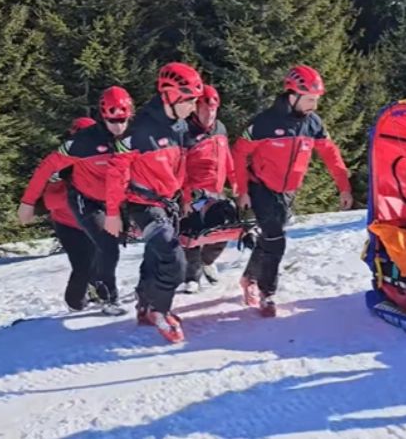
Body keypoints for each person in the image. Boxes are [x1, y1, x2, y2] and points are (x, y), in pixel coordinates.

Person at [232, 65, 354, 317]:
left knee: (269, 237)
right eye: (310, 99)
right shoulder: (264, 122)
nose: (314, 105)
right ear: (292, 94)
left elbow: (331, 154)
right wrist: (242, 190)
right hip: (261, 187)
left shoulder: (313, 123)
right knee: (276, 239)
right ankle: (268, 294)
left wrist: (344, 187)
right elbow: (239, 153)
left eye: (316, 100)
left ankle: (249, 278)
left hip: (288, 191)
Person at [103, 62, 204, 343]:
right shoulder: (140, 130)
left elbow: (181, 165)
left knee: (154, 256)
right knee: (173, 257)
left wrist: (184, 197)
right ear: (169, 95)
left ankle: (145, 305)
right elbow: (116, 172)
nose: (193, 107)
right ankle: (161, 311)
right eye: (188, 101)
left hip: (167, 202)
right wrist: (112, 212)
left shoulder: (181, 125)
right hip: (143, 205)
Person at [18, 87, 135, 316]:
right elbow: (45, 170)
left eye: (123, 120)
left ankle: (120, 289)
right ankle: (105, 298)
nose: (118, 126)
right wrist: (28, 203)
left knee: (106, 251)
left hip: (110, 202)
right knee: (102, 249)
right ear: (103, 116)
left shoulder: (135, 137)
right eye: (113, 121)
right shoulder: (81, 144)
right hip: (83, 204)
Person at [18, 116, 98, 311]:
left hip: (92, 220)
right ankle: (75, 303)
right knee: (82, 266)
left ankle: (97, 294)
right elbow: (50, 200)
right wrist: (72, 191)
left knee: (99, 261)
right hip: (68, 223)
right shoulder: (59, 163)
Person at [177, 84, 240, 293]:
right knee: (192, 234)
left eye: (213, 109)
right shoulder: (185, 131)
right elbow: (180, 168)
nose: (210, 113)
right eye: (205, 108)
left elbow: (227, 156)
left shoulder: (220, 128)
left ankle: (208, 261)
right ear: (196, 107)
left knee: (224, 229)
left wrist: (235, 180)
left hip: (216, 191)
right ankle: (191, 277)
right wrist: (185, 197)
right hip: (194, 192)